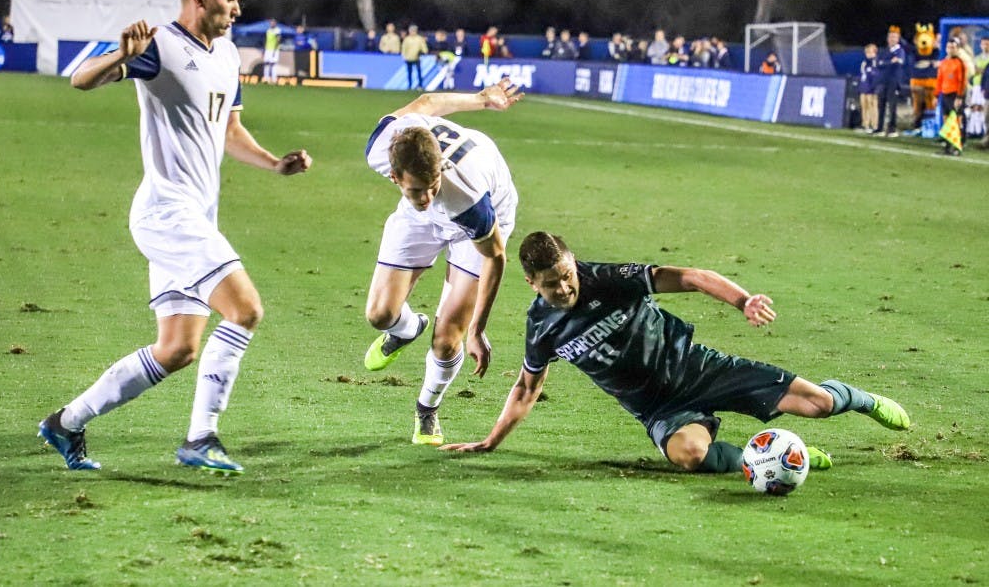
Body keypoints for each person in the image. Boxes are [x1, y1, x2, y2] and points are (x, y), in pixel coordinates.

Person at [37, 0, 313, 474]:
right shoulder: (158, 45)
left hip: (194, 219)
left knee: (177, 348)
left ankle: (65, 423)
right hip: (167, 213)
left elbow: (228, 130)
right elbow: (80, 80)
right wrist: (121, 57)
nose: (237, 7)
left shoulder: (228, 55)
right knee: (246, 309)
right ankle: (201, 437)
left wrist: (274, 164)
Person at [442, 232, 911, 479]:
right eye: (552, 283)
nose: (565, 287)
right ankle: (787, 456)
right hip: (660, 410)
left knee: (819, 405)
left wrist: (742, 300)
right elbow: (526, 389)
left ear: (572, 261)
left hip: (700, 369)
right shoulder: (542, 328)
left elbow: (688, 276)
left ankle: (864, 400)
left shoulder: (607, 278)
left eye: (567, 274)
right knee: (688, 456)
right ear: (532, 283)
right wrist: (490, 441)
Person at [362, 77, 523, 445]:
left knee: (448, 338)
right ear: (394, 176)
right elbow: (427, 102)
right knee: (379, 315)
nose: (427, 195)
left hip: (479, 222)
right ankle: (405, 328)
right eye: (416, 189)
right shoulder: (383, 145)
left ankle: (427, 408)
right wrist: (481, 98)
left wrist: (477, 330)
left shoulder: (465, 197)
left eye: (431, 185)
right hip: (421, 222)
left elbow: (496, 258)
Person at [935, 37, 968, 155]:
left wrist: (959, 97)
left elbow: (962, 81)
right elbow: (940, 79)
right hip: (944, 94)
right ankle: (948, 147)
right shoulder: (943, 62)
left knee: (957, 121)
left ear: (957, 49)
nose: (951, 50)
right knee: (946, 122)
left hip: (955, 95)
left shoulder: (960, 63)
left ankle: (958, 146)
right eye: (949, 47)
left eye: (953, 47)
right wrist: (936, 95)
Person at [876, 25, 907, 136]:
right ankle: (879, 128)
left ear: (898, 39)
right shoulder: (885, 51)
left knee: (892, 105)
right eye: (890, 37)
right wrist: (890, 62)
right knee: (881, 104)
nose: (892, 39)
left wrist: (887, 63)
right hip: (883, 80)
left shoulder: (900, 51)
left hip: (894, 81)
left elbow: (899, 62)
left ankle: (892, 128)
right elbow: (879, 63)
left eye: (894, 37)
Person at [857, 43, 880, 133]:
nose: (868, 54)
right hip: (864, 86)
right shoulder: (864, 63)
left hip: (872, 87)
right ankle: (865, 124)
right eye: (867, 52)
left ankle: (874, 125)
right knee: (864, 105)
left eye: (870, 52)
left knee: (872, 105)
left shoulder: (876, 62)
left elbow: (876, 75)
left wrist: (875, 87)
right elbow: (862, 75)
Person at [401, 24, 428, 89]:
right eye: (411, 30)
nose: (412, 32)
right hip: (408, 58)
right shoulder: (407, 39)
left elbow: (424, 48)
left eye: (414, 30)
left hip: (416, 58)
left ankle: (420, 85)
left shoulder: (419, 39)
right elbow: (404, 48)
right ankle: (410, 85)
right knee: (409, 73)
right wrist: (403, 56)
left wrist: (424, 51)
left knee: (419, 72)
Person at [262, 18, 281, 84]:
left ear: (275, 23)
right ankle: (266, 79)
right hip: (268, 49)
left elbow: (278, 40)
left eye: (273, 22)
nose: (272, 24)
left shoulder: (277, 30)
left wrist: (275, 50)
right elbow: (266, 40)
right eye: (271, 22)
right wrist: (264, 50)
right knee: (266, 64)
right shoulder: (268, 30)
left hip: (274, 50)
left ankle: (274, 79)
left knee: (273, 64)